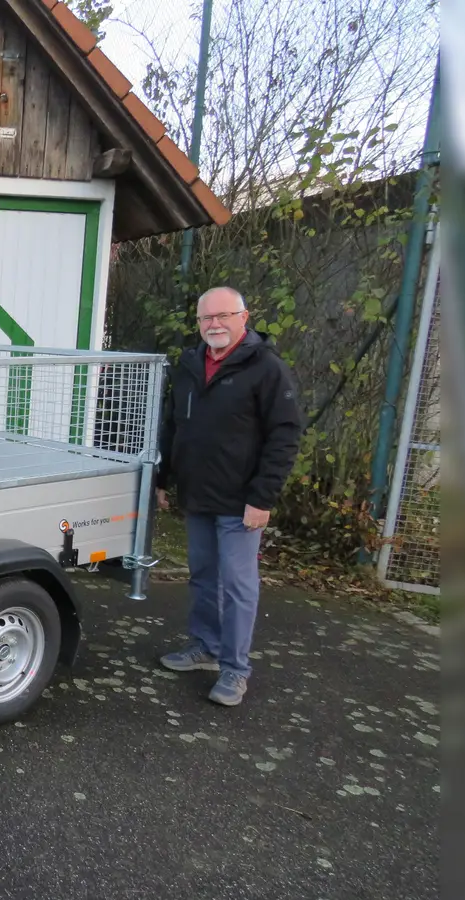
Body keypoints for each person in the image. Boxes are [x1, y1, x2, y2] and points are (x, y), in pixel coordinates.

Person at [154, 286, 304, 706]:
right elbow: (173, 425)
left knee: (238, 585)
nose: (214, 324)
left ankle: (235, 670)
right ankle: (205, 647)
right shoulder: (189, 365)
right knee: (203, 576)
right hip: (198, 495)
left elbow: (285, 435)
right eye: (206, 318)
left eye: (223, 316)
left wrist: (263, 498)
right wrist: (163, 478)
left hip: (242, 502)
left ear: (244, 316)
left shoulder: (266, 368)